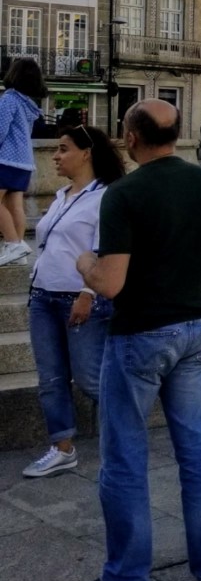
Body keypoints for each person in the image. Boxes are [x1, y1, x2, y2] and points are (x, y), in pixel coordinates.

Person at [64, 99, 201, 581]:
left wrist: (83, 263)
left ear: (131, 137)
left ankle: (125, 576)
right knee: (198, 451)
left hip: (140, 335)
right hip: (197, 331)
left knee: (124, 455)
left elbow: (111, 283)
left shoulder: (124, 194)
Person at [22, 126, 126, 479]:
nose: (55, 155)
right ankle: (62, 448)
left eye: (63, 149)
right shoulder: (62, 194)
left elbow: (105, 251)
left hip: (79, 298)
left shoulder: (106, 196)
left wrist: (88, 294)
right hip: (42, 296)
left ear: (87, 153)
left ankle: (129, 429)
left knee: (89, 378)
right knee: (50, 379)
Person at [0, 58, 46, 267]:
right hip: (23, 160)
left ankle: (13, 243)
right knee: (15, 204)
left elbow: (1, 128)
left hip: (5, 158)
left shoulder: (9, 99)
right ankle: (19, 252)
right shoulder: (29, 104)